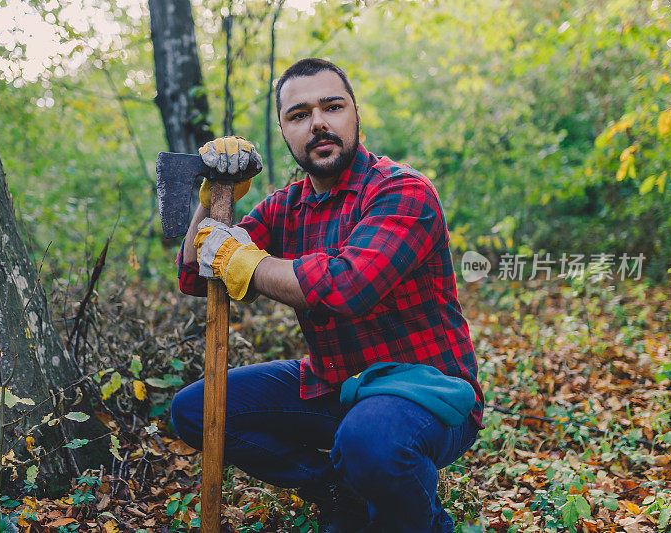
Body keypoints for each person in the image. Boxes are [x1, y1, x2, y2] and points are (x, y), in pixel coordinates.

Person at [170, 58, 484, 533]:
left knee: (372, 440)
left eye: (331, 107)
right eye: (298, 115)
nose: (317, 123)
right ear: (283, 131)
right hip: (334, 383)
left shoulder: (402, 191)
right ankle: (340, 492)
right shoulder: (285, 207)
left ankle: (422, 520)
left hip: (425, 390)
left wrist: (246, 262)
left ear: (355, 113)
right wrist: (216, 194)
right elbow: (197, 275)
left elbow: (347, 287)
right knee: (195, 409)